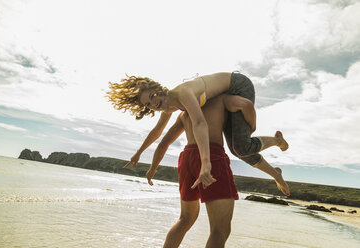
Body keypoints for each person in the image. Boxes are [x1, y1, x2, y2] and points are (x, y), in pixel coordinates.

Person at [145, 94, 289, 248]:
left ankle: (276, 147)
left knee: (185, 220)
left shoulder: (185, 112)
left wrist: (152, 169)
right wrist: (250, 129)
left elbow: (164, 143)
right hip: (211, 154)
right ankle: (276, 142)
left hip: (187, 158)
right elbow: (246, 104)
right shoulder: (219, 100)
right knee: (220, 230)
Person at [106, 72, 288, 189]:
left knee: (240, 147)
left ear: (158, 89)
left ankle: (276, 141)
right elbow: (158, 133)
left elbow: (199, 123)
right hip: (222, 96)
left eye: (153, 96)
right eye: (148, 104)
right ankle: (276, 173)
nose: (154, 103)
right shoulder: (167, 106)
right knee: (238, 149)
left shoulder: (181, 94)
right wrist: (139, 153)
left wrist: (205, 162)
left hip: (238, 86)